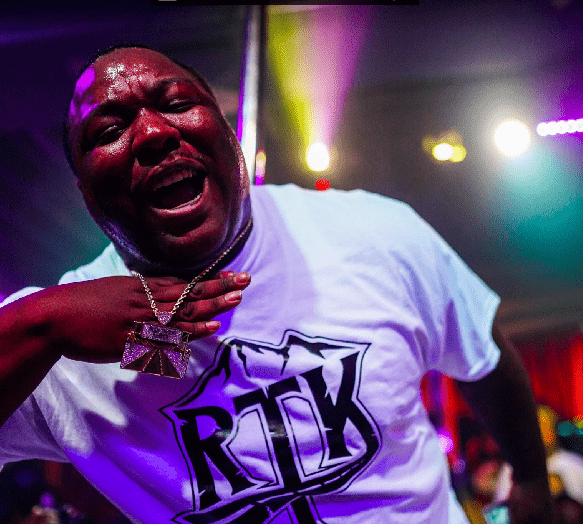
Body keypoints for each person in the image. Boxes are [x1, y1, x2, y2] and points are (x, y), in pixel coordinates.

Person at [0, 44, 556, 524]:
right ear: (84, 187)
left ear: (228, 134)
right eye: (109, 131)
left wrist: (531, 482)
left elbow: (483, 353)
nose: (152, 132)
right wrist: (43, 322)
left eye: (177, 104)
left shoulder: (372, 232)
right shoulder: (57, 340)